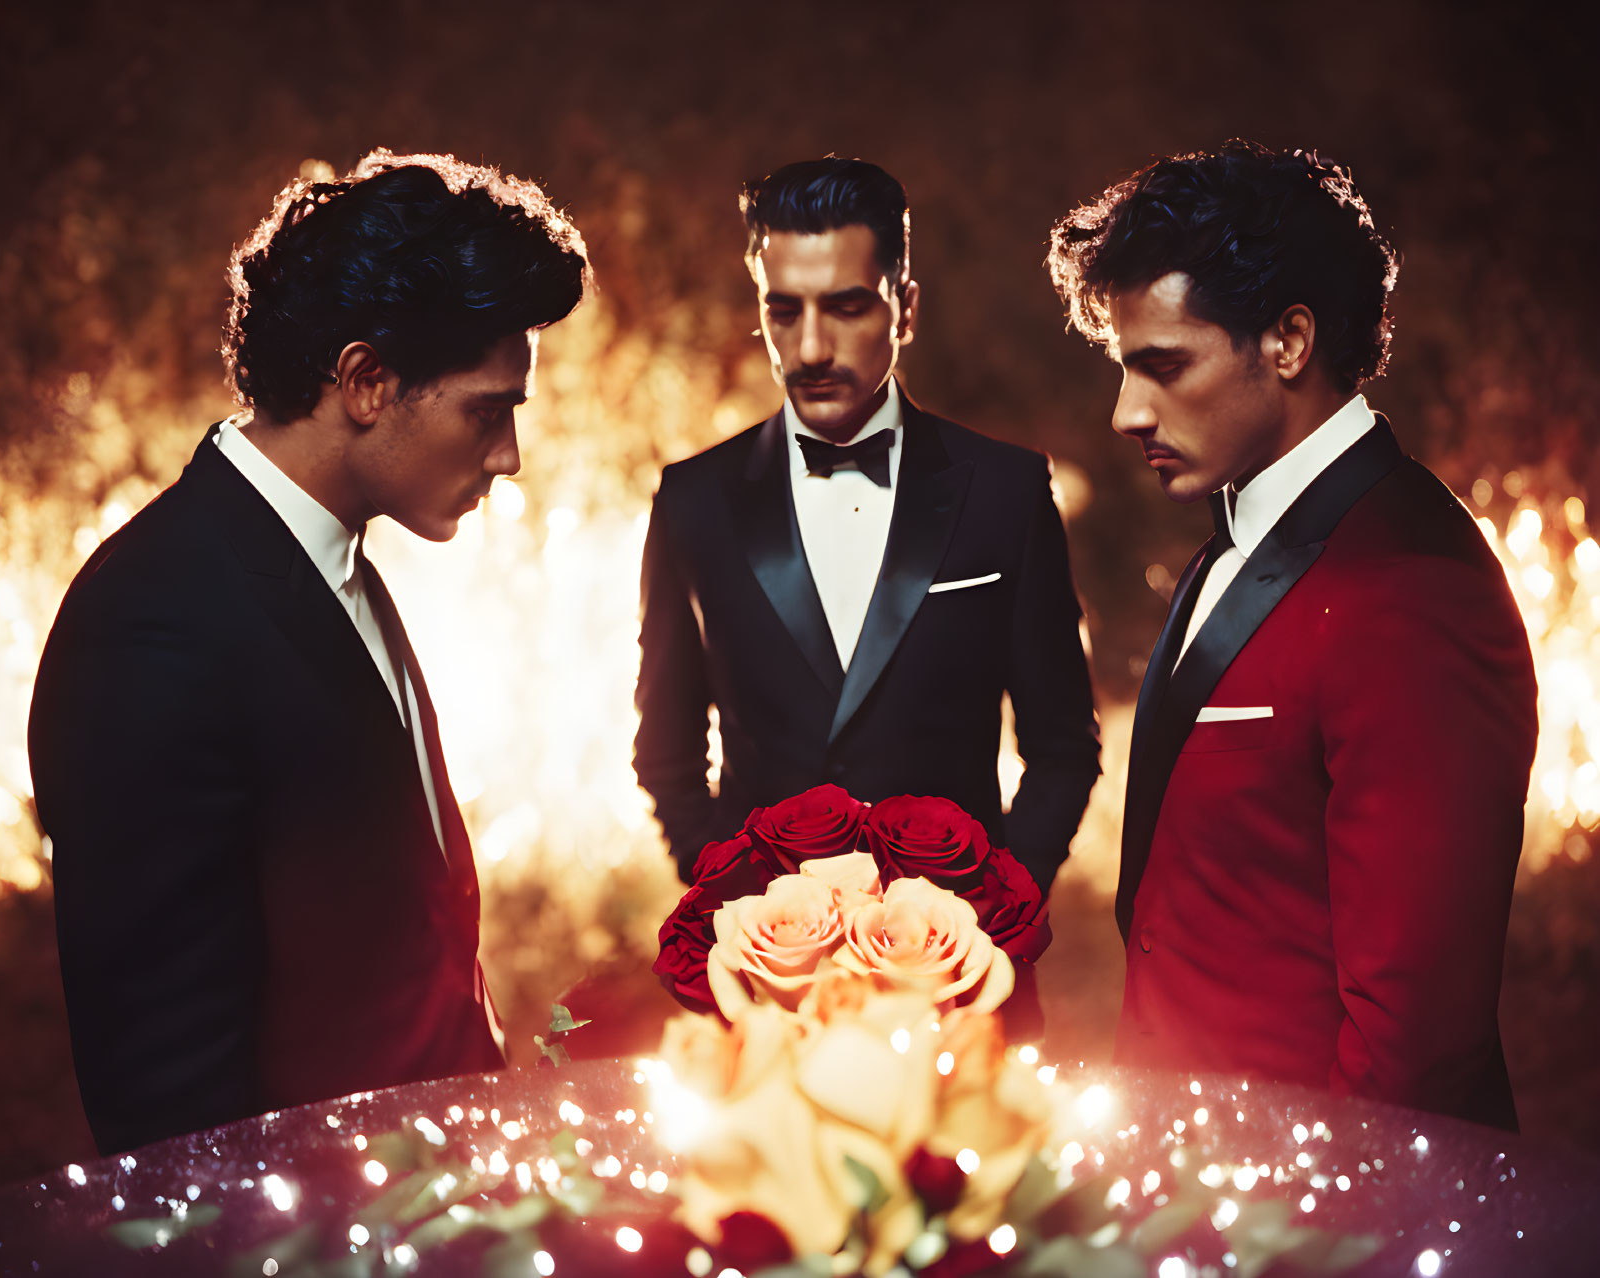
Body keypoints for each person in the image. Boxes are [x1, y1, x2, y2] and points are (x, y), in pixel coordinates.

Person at [28, 151, 589, 1154]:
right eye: (487, 410)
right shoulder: (154, 624)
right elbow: (171, 1110)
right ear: (367, 381)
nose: (507, 458)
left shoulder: (329, 561)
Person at [1047, 140, 1538, 1129]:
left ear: (1287, 341)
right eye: (1120, 368)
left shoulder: (1407, 588)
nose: (1123, 411)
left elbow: (1414, 1045)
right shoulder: (1236, 540)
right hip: (1188, 1196)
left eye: (1162, 365)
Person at [634, 157, 1100, 889]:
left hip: (966, 973)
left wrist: (1000, 905)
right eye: (783, 311)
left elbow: (1063, 745)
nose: (811, 349)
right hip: (766, 978)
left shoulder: (1006, 491)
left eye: (846, 307)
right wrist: (726, 899)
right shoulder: (693, 500)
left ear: (904, 309)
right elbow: (665, 750)